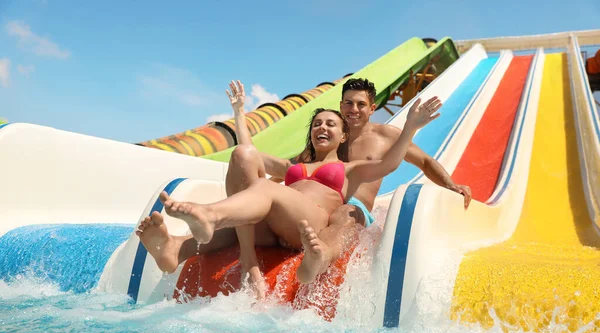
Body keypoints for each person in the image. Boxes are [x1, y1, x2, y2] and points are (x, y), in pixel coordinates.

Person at [136, 78, 469, 289]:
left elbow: (404, 162)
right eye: (347, 104)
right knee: (247, 169)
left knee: (341, 212)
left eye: (360, 105)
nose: (353, 110)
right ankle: (176, 248)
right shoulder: (300, 160)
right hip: (286, 219)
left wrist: (449, 182)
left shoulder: (372, 147)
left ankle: (216, 217)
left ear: (373, 108)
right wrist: (239, 113)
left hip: (338, 214)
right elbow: (249, 155)